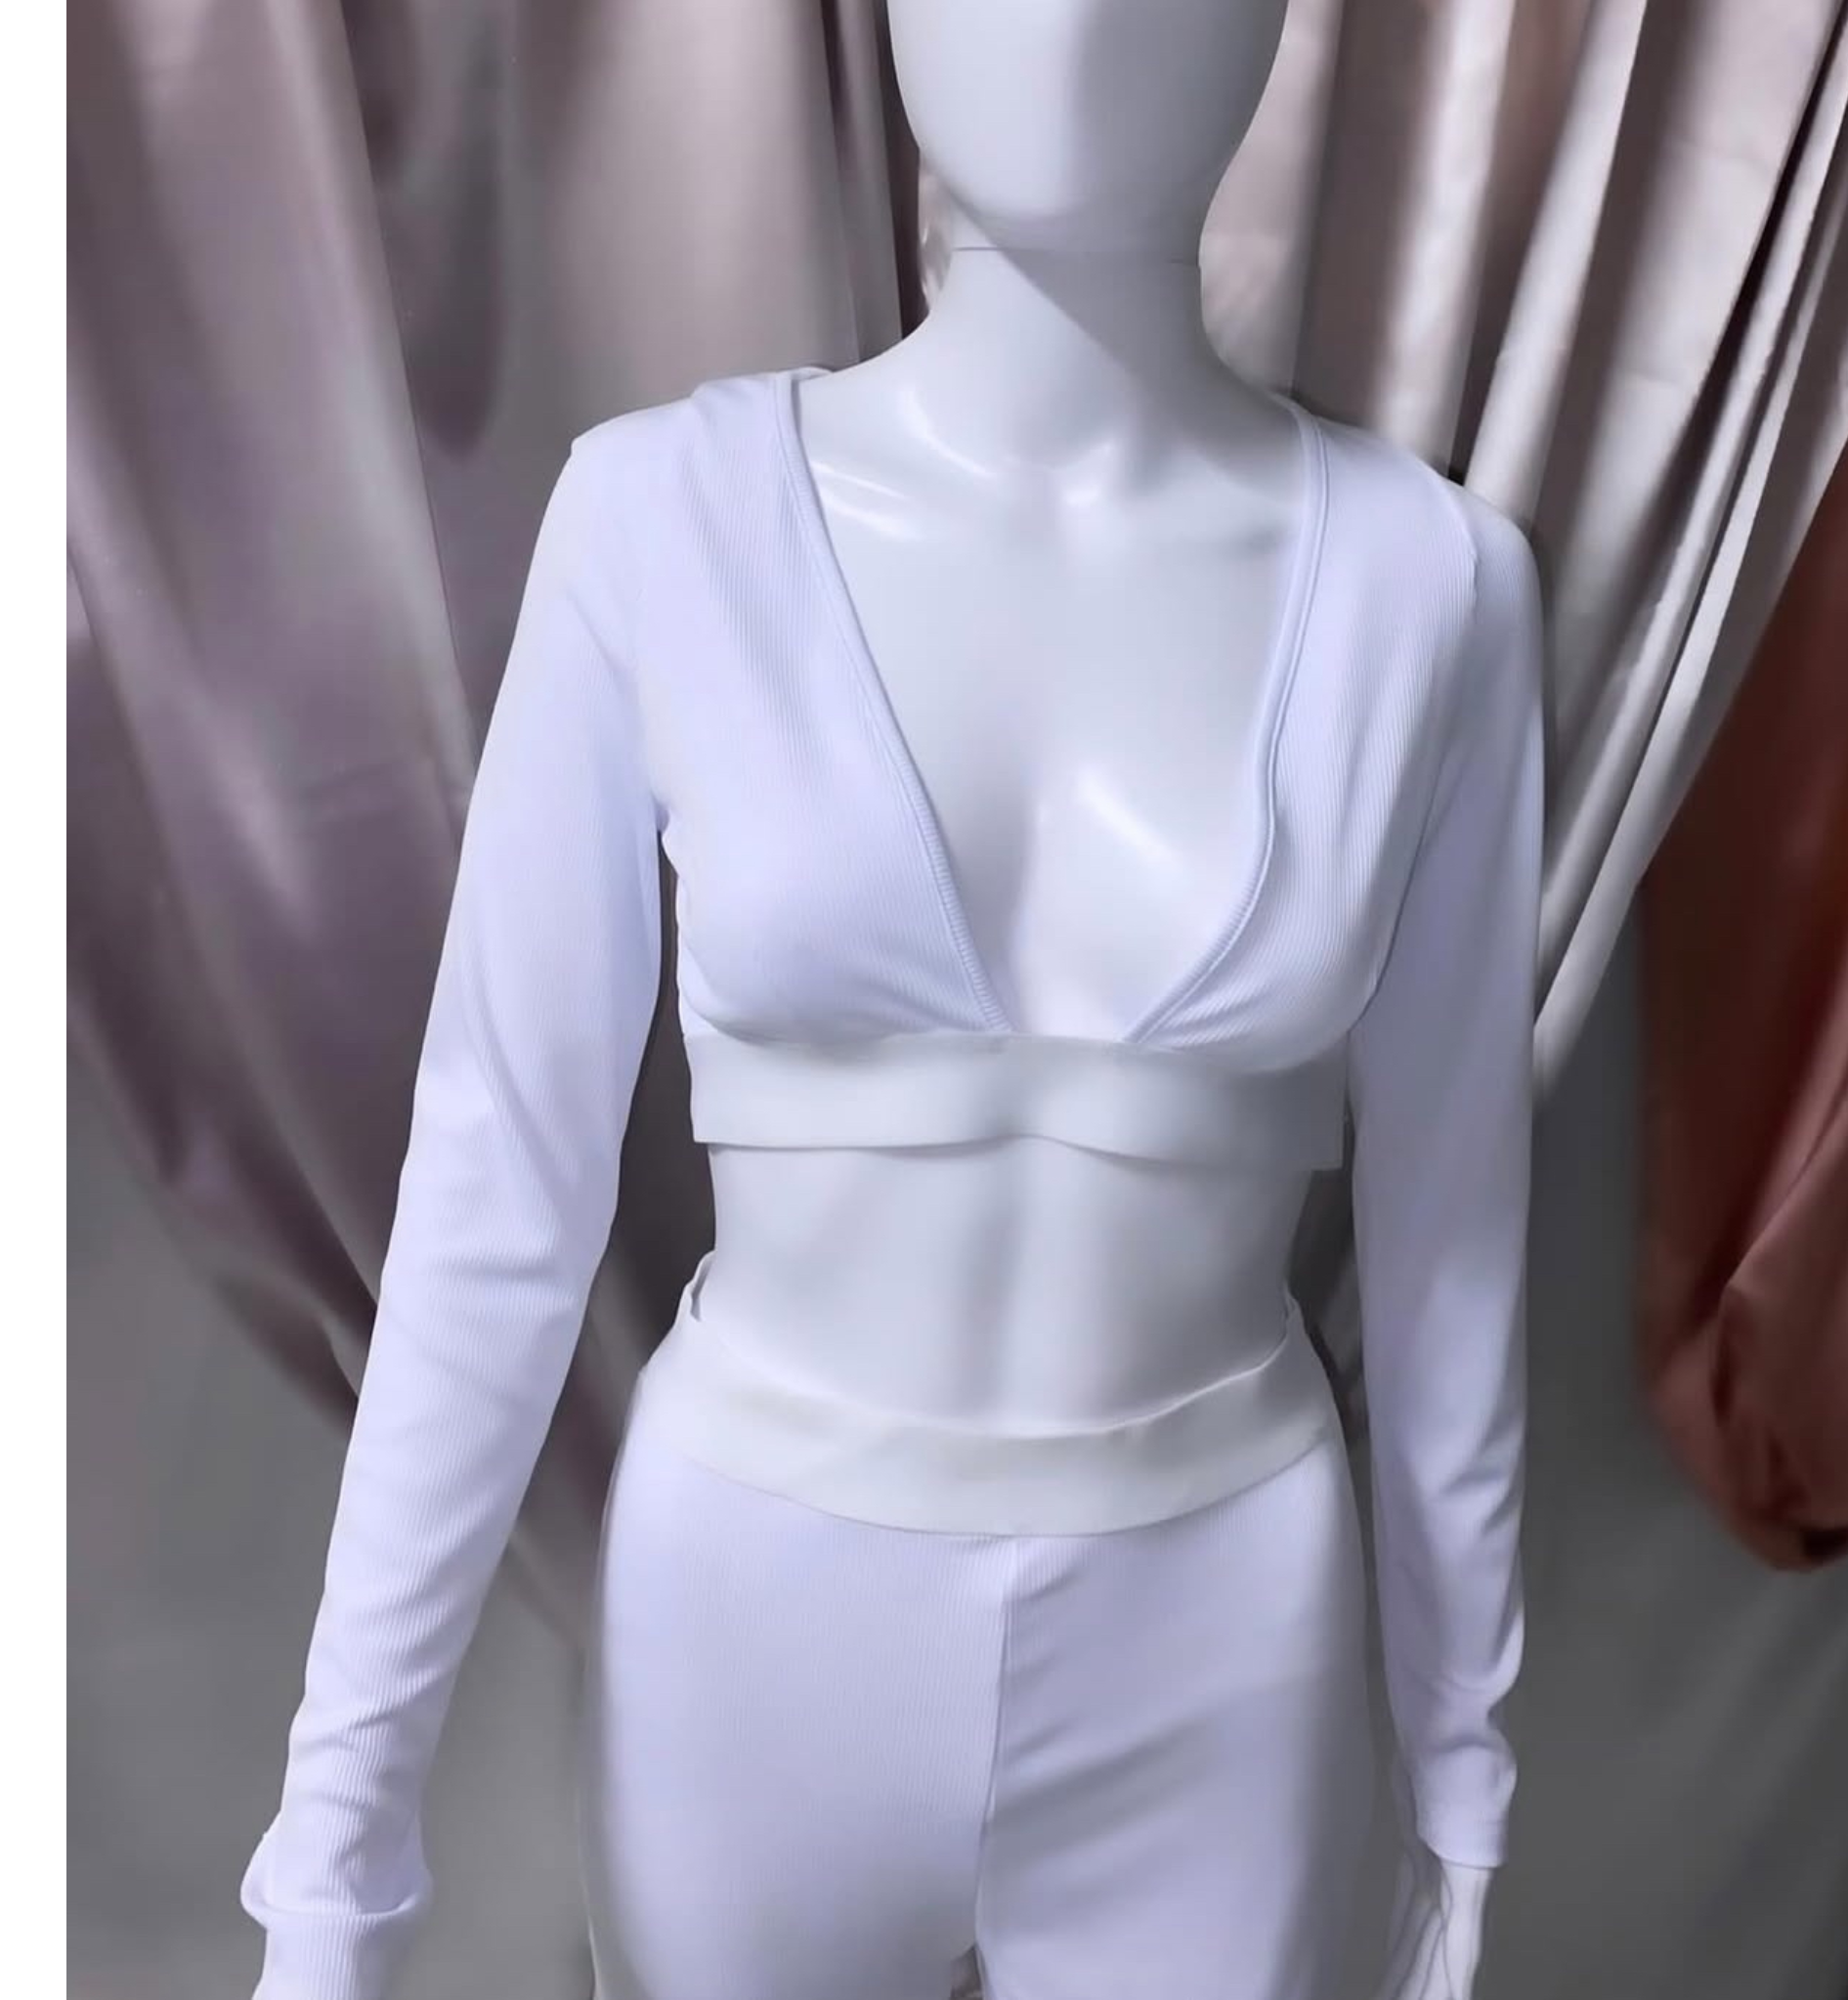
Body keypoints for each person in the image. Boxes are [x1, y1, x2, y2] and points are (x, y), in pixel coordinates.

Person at [240, 2, 1545, 1995]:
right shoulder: (660, 522)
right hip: (756, 1628)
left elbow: (1454, 1242)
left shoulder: (1430, 587)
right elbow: (496, 1197)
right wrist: (335, 1848)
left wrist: (1463, 1771)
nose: (1076, 22)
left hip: (1219, 1641)